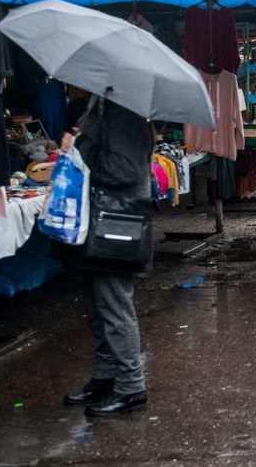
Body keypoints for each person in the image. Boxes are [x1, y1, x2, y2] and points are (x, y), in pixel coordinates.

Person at [58, 94, 153, 418]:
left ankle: (130, 387)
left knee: (114, 306)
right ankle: (105, 376)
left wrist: (79, 149)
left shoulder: (127, 111)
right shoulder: (101, 104)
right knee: (97, 307)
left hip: (115, 223)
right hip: (97, 221)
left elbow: (124, 170)